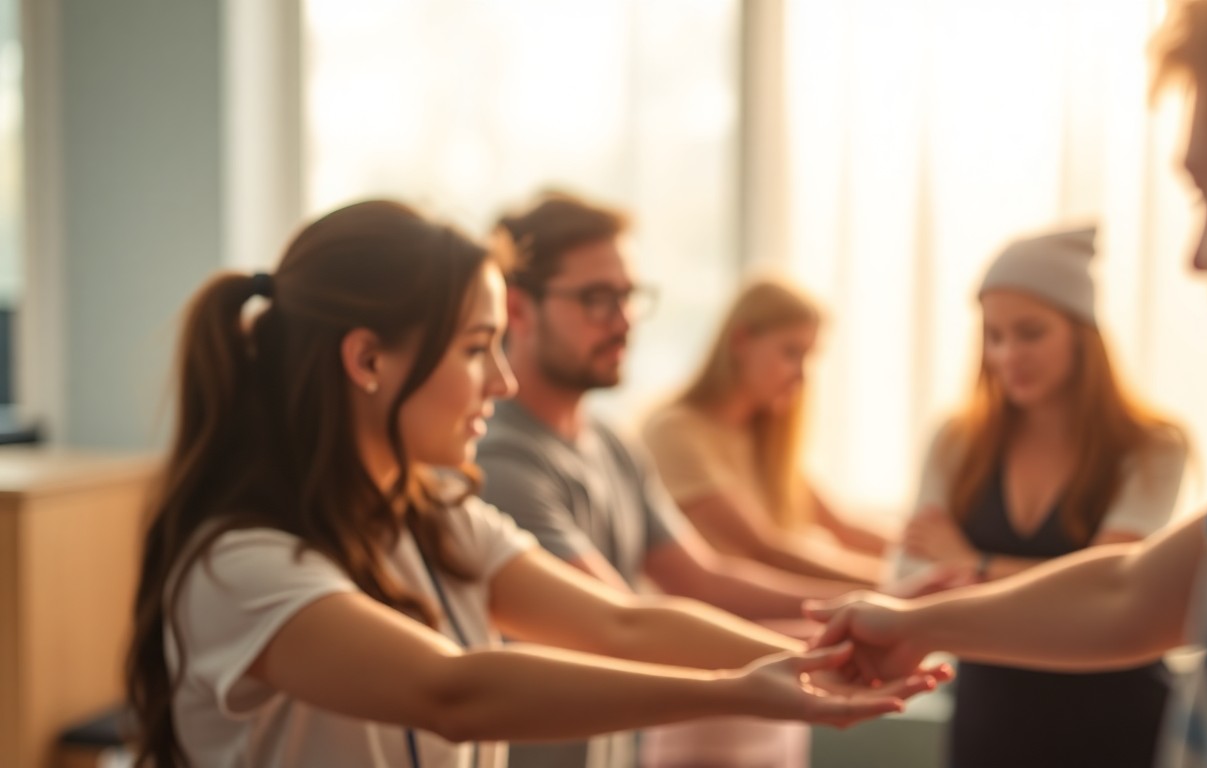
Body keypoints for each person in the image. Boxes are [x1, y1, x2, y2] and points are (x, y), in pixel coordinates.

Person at [124, 200, 945, 768]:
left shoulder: (439, 520)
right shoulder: (242, 565)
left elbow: (623, 623)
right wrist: (743, 689)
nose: (502, 383)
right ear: (368, 360)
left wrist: (813, 662)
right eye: (477, 348)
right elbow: (453, 691)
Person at [805, 2, 1207, 766]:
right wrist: (916, 622)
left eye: (1204, 191)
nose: (1196, 256)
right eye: (995, 335)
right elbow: (1125, 591)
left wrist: (963, 572)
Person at [476, 193, 894, 768]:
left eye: (627, 297)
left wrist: (863, 612)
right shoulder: (502, 460)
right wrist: (828, 654)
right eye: (597, 299)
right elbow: (619, 625)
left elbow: (703, 577)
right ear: (518, 309)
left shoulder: (613, 443)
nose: (622, 320)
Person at [884, 225, 1188, 767]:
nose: (1007, 356)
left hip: (1116, 720)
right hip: (991, 716)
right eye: (994, 336)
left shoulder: (1153, 449)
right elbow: (912, 577)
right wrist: (1014, 574)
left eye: (1029, 333)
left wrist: (971, 563)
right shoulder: (955, 443)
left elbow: (1108, 594)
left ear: (1080, 332)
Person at [636, 277, 893, 768]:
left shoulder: (765, 442)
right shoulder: (675, 431)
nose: (801, 373)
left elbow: (845, 526)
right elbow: (763, 546)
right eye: (791, 352)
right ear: (741, 341)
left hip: (778, 665)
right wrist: (900, 587)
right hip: (708, 674)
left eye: (810, 357)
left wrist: (941, 560)